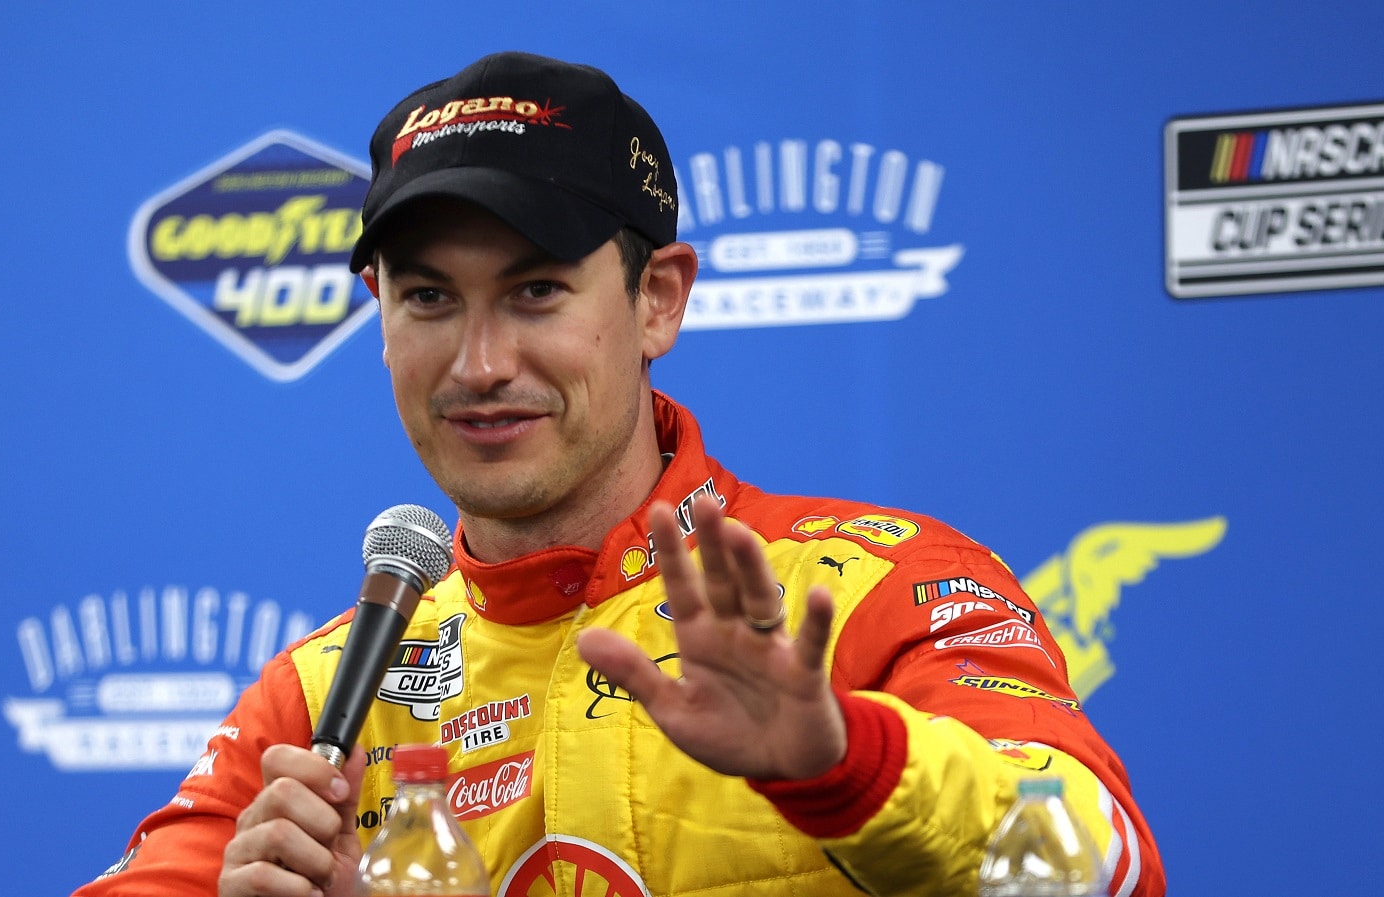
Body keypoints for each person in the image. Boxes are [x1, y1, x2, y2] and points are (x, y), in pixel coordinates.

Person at [76, 51, 1164, 897]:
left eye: (536, 291)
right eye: (428, 298)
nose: (479, 363)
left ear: (658, 301)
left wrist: (845, 766)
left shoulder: (872, 589)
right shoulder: (320, 697)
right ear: (379, 316)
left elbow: (1106, 863)